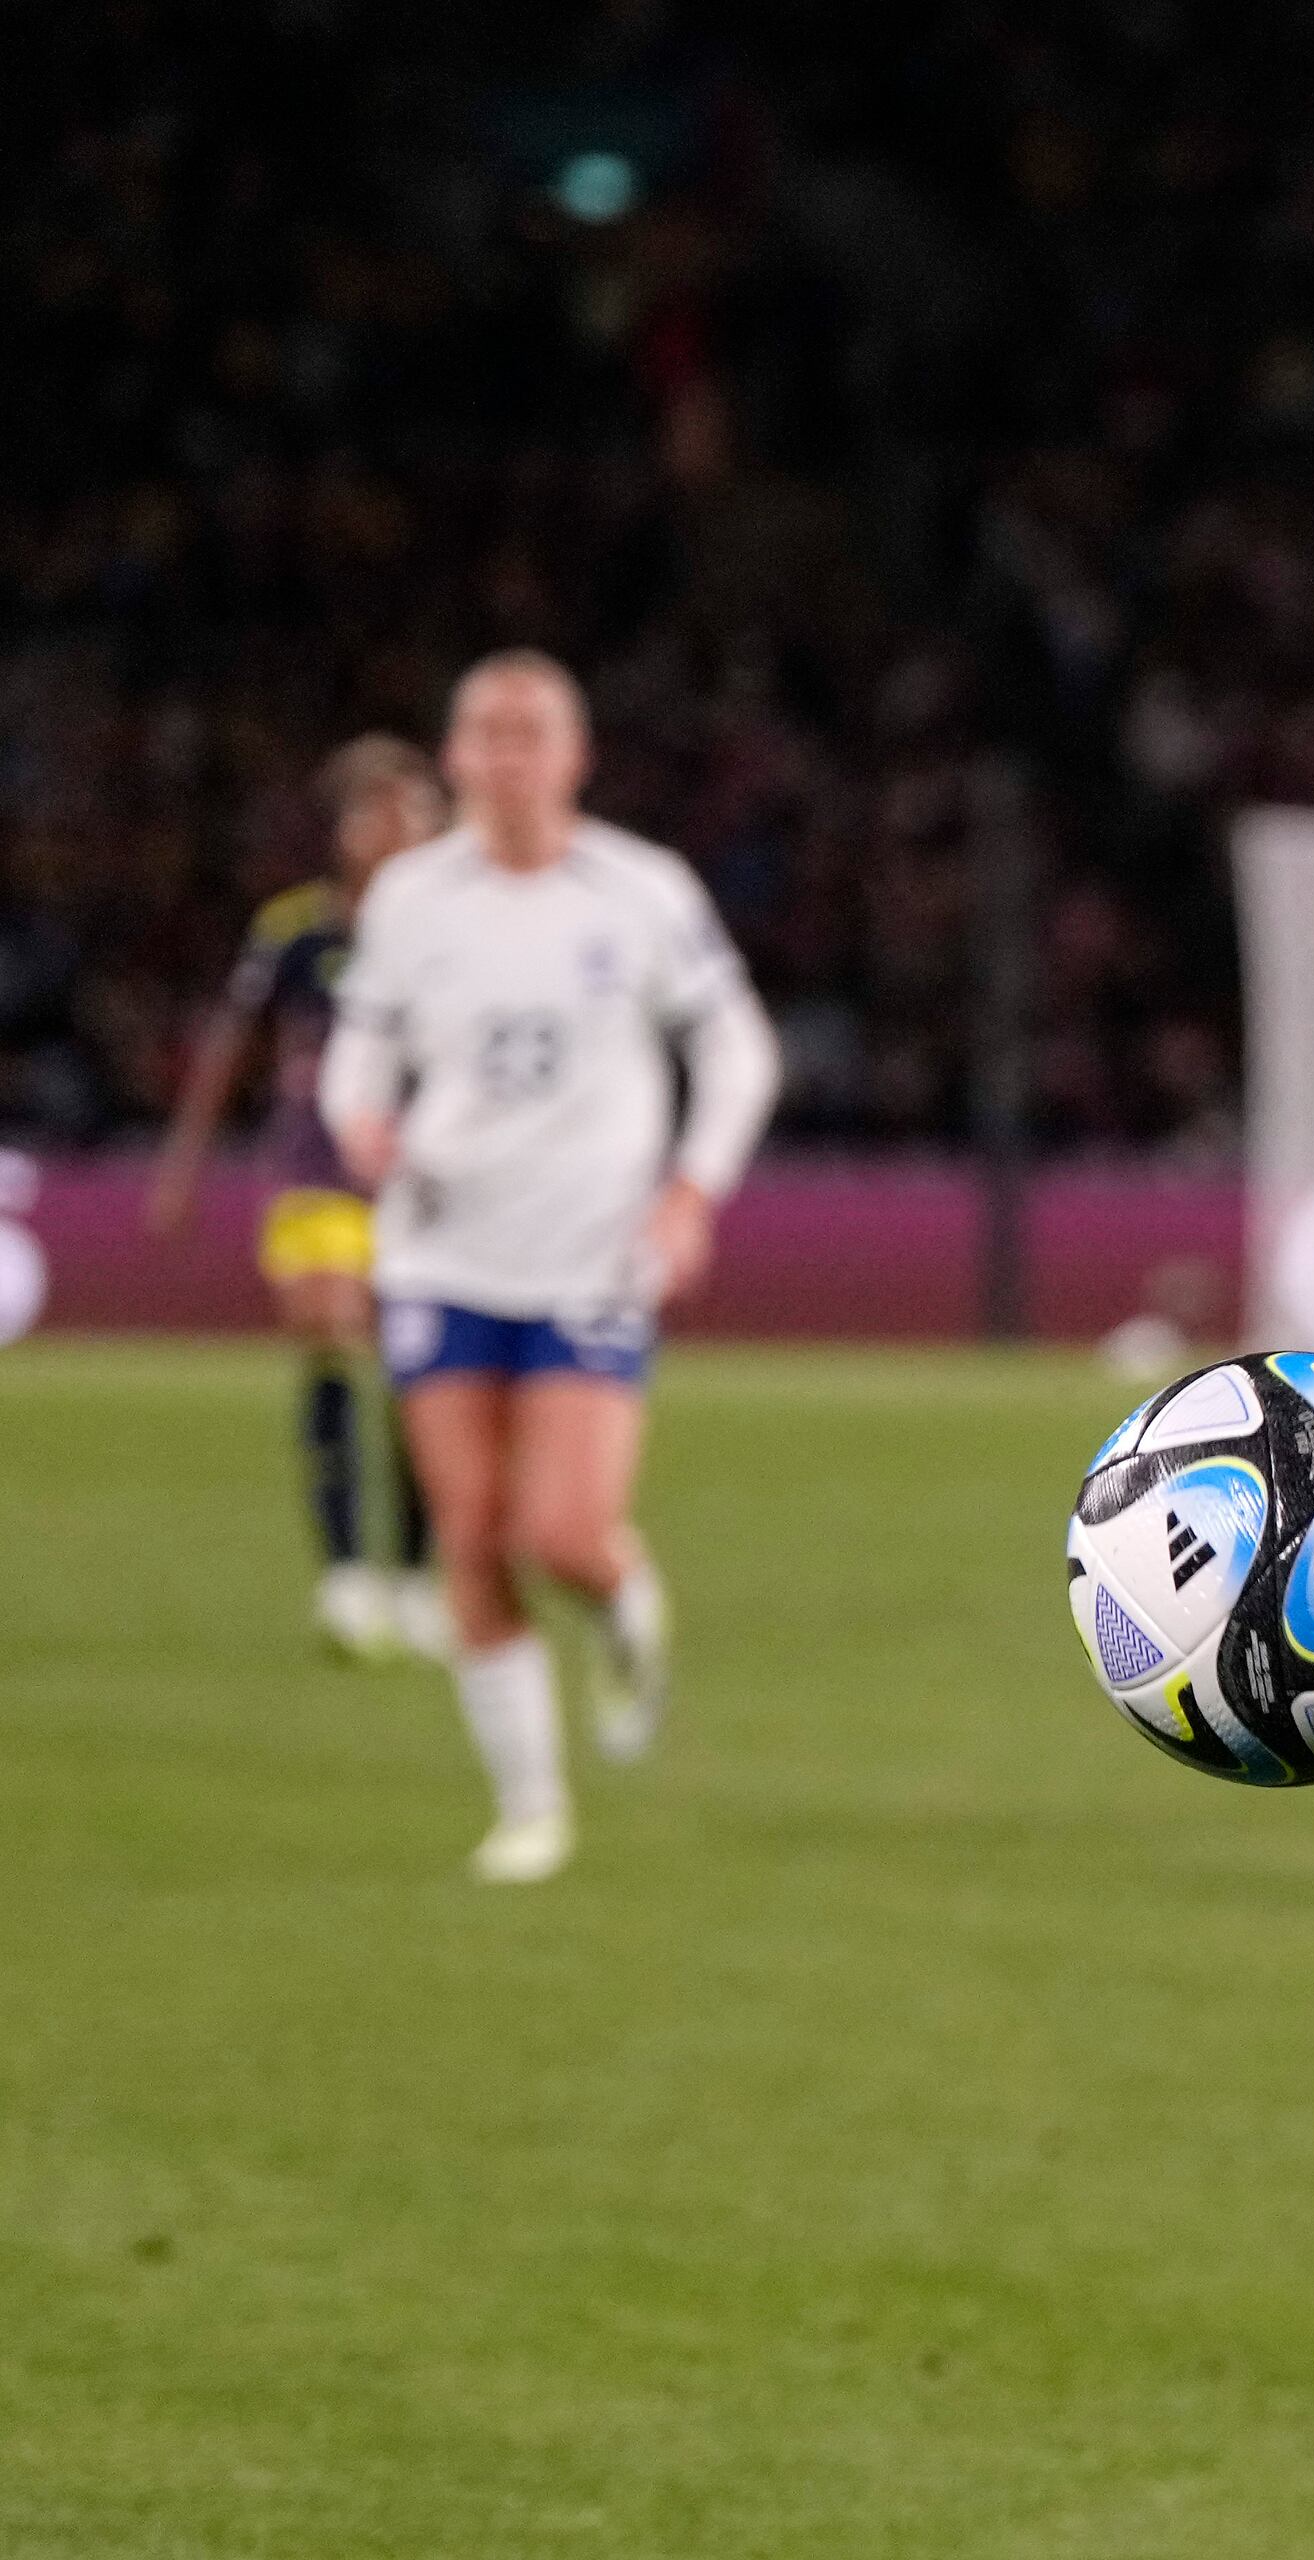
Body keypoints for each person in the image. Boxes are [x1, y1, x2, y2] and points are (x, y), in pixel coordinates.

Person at [323, 652, 780, 1884]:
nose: (510, 753)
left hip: (587, 1257)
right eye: (487, 731)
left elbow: (737, 1052)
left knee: (563, 1533)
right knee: (470, 1531)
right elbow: (355, 1057)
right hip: (440, 1254)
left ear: (574, 758)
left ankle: (623, 1598)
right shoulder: (412, 898)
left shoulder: (640, 891)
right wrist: (361, 1125)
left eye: (534, 732)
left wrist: (691, 1194)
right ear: (457, 758)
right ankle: (530, 1807)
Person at [144, 735, 453, 1661]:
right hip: (318, 1177)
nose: (393, 828)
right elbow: (231, 1045)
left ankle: (414, 1577)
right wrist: (183, 1165)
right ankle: (347, 1575)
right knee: (329, 1334)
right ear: (344, 830)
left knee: (416, 1383)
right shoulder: (295, 930)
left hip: (425, 1188)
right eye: (375, 810)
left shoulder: (456, 934)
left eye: (411, 810)